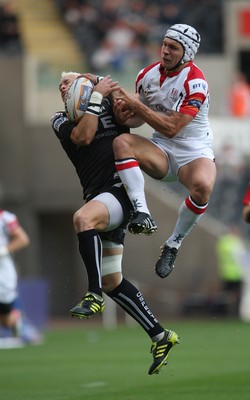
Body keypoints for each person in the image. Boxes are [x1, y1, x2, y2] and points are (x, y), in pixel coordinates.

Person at [50, 71, 179, 375]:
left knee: (83, 219)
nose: (63, 87)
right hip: (99, 196)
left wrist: (111, 96)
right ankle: (161, 335)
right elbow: (83, 136)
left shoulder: (107, 102)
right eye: (60, 86)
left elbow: (135, 116)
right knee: (113, 281)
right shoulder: (59, 119)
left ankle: (92, 294)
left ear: (82, 84)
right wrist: (96, 96)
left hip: (119, 191)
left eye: (68, 82)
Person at [112, 23, 217, 278]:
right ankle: (142, 211)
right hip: (161, 148)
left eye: (173, 47)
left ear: (187, 53)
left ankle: (173, 243)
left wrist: (135, 105)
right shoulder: (146, 74)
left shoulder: (196, 84)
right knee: (121, 142)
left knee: (202, 187)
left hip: (194, 150)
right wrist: (124, 114)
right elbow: (137, 120)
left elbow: (172, 128)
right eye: (164, 44)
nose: (165, 51)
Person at [0, 208, 42, 345]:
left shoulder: (5, 217)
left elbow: (23, 239)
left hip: (2, 272)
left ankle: (16, 320)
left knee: (6, 320)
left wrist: (4, 250)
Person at [215, 225, 245, 317]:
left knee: (231, 295)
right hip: (231, 273)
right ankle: (225, 313)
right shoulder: (229, 242)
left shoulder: (234, 242)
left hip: (235, 272)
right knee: (227, 295)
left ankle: (232, 313)